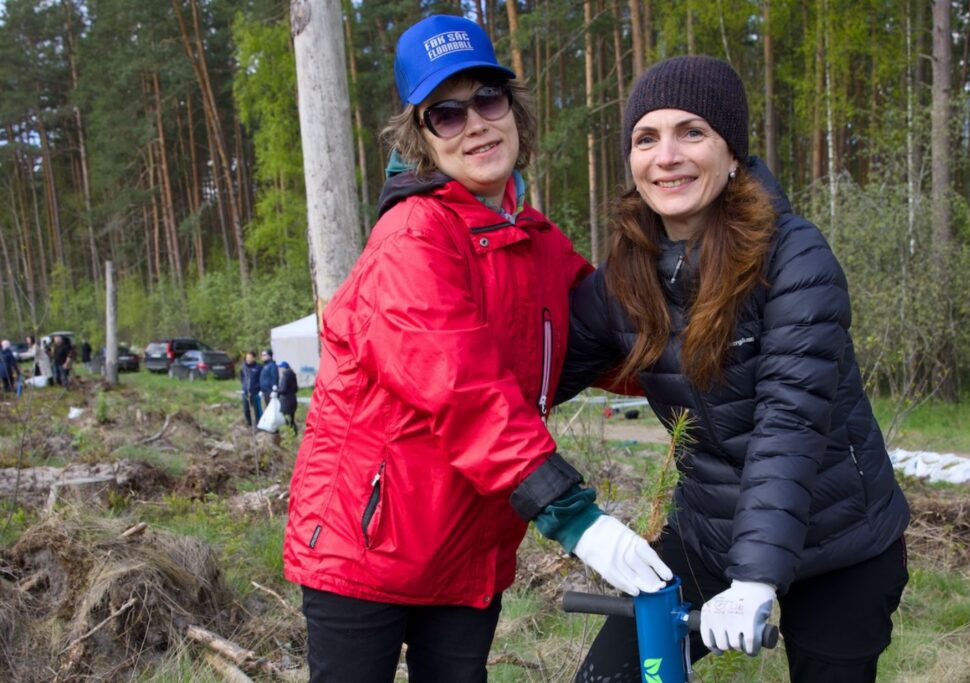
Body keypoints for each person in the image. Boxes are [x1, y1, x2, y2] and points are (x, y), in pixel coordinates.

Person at [283, 15, 671, 683]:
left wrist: (709, 363)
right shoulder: (412, 238)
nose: (477, 125)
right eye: (447, 114)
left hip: (468, 551)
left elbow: (612, 343)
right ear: (421, 137)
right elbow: (466, 391)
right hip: (364, 545)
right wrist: (577, 519)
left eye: (489, 100)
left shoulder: (539, 243)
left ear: (514, 111)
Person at [557, 56, 911, 683]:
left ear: (731, 153)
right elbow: (536, 372)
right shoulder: (624, 278)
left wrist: (755, 579)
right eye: (647, 138)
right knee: (612, 676)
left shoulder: (795, 256)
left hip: (842, 543)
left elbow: (788, 423)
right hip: (710, 532)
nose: (667, 156)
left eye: (691, 132)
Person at [239, 351, 262, 428]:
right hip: (245, 392)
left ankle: (259, 424)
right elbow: (241, 377)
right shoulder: (243, 367)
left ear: (254, 358)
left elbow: (261, 379)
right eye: (247, 358)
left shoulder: (259, 367)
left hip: (255, 392)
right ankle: (249, 424)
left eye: (249, 358)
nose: (248, 359)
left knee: (257, 410)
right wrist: (244, 385)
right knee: (246, 410)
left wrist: (258, 388)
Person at [275, 361, 299, 435]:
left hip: (286, 401)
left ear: (284, 368)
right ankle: (295, 434)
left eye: (280, 367)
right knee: (291, 419)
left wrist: (276, 390)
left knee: (287, 419)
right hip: (293, 399)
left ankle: (291, 435)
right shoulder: (293, 374)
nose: (279, 369)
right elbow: (296, 388)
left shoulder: (285, 375)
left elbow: (283, 389)